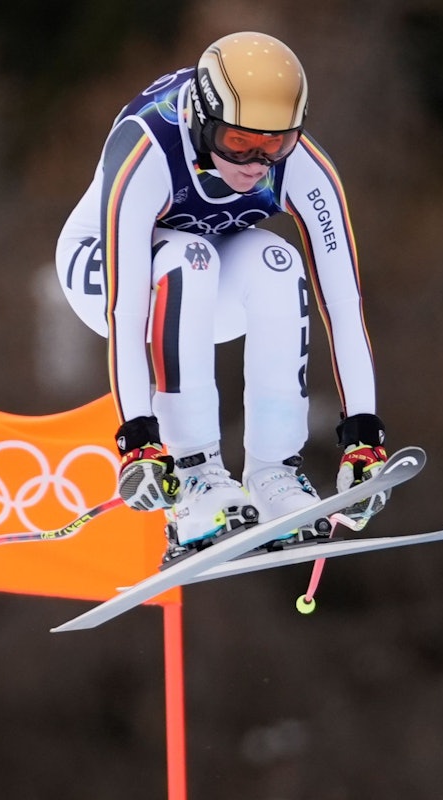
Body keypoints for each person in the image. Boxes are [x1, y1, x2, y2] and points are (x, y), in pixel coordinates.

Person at [55, 31, 388, 561]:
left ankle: (275, 473)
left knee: (277, 261)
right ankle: (194, 477)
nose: (257, 163)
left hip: (204, 290)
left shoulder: (303, 166)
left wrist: (364, 435)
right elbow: (124, 310)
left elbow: (343, 304)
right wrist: (139, 441)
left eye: (275, 144)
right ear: (202, 121)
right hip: (103, 271)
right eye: (239, 142)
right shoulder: (149, 146)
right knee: (190, 257)